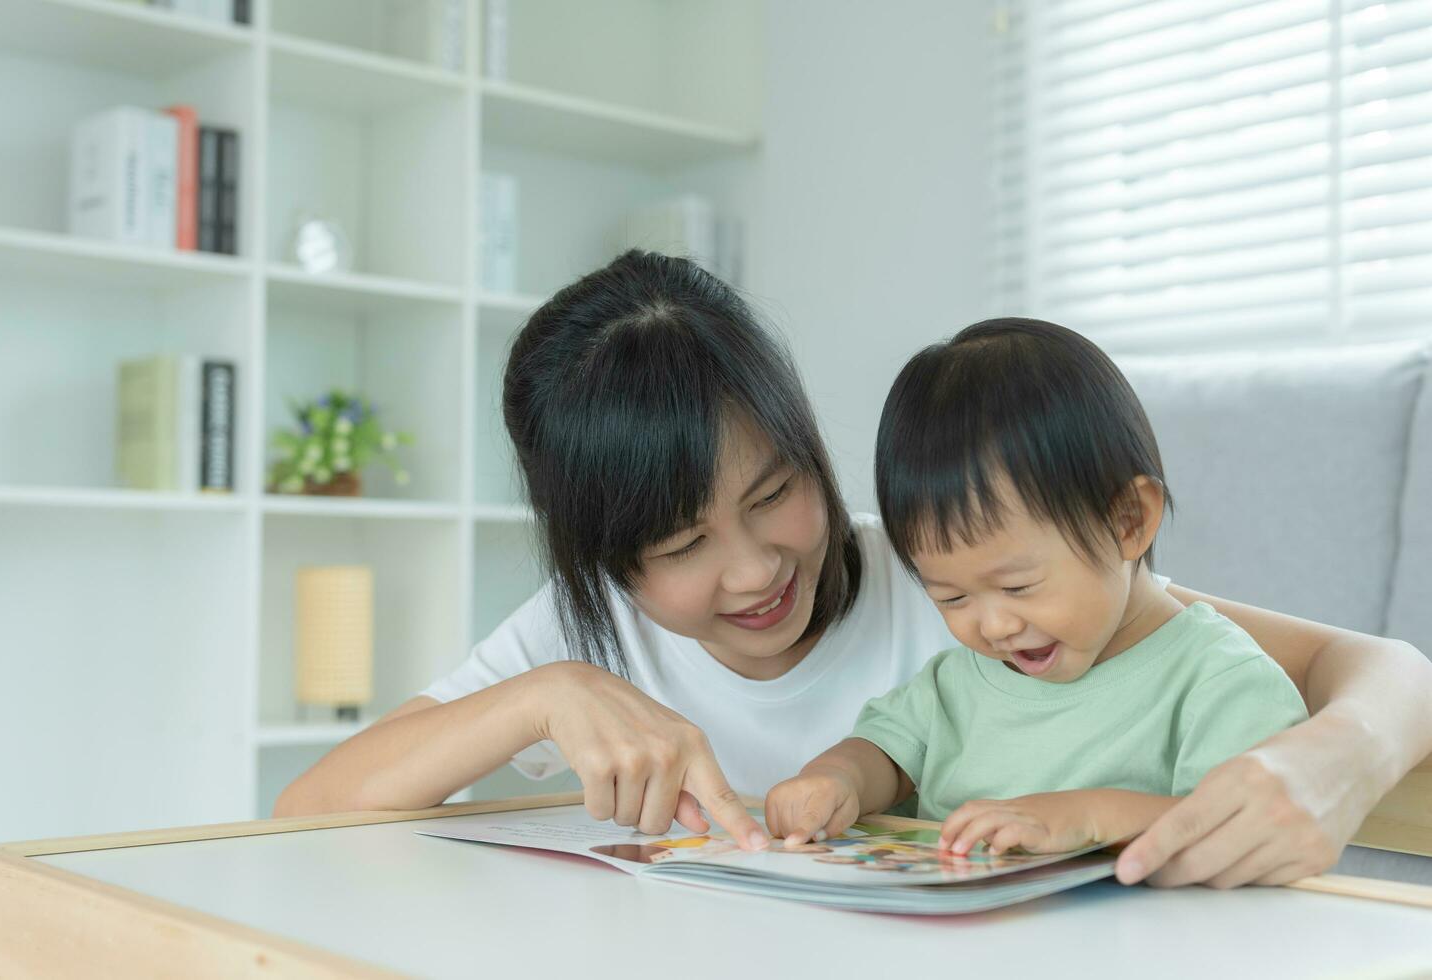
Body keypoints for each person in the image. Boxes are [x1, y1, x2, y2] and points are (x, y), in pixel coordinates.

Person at [275, 252, 1432, 888]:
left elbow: (1365, 661)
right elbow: (311, 807)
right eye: (680, 548)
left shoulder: (953, 581)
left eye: (777, 490)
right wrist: (537, 695)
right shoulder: (580, 632)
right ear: (608, 564)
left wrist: (1339, 755)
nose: (752, 567)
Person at [764, 318, 1308, 861]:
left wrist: (1089, 817)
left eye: (1018, 586)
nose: (994, 626)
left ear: (1128, 521)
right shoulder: (956, 687)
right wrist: (835, 779)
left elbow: (1249, 832)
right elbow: (882, 753)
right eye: (951, 597)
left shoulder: (1220, 681)